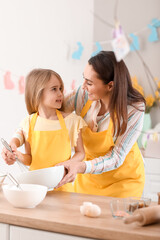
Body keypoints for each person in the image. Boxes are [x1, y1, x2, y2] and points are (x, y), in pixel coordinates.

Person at [55, 51, 146, 198]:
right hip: (88, 178)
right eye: (84, 79)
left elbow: (116, 157)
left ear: (110, 86)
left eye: (89, 83)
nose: (83, 86)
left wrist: (80, 166)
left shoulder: (134, 109)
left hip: (123, 181)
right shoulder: (83, 94)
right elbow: (52, 112)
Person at [1, 69, 86, 192]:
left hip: (63, 187)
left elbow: (81, 153)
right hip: (36, 188)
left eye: (61, 89)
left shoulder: (72, 121)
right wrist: (17, 154)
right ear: (38, 93)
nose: (60, 93)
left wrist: (68, 164)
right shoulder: (29, 122)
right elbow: (29, 157)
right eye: (54, 89)